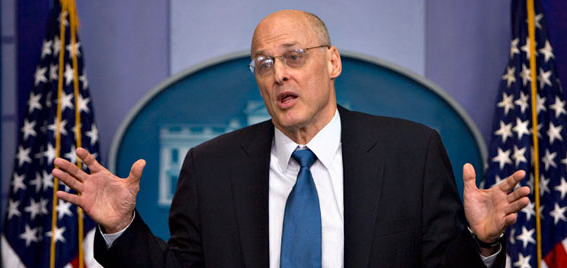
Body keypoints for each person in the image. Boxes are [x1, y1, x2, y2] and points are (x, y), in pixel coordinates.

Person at [53, 10, 530, 267]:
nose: (279, 74)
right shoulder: (211, 167)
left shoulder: (412, 153)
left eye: (295, 56)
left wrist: (483, 244)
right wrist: (120, 229)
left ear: (333, 62)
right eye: (264, 64)